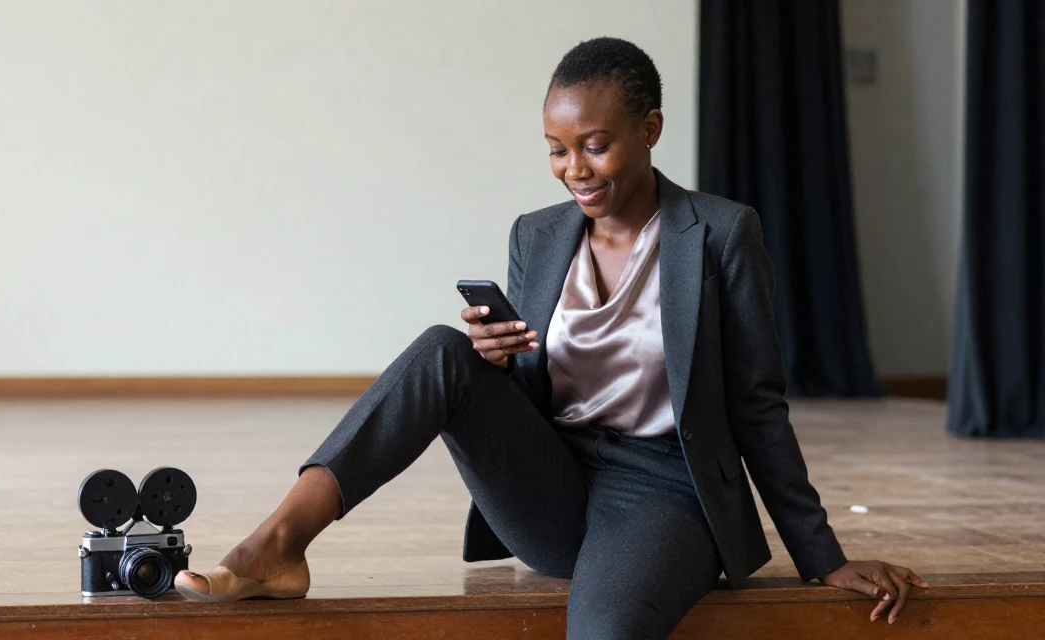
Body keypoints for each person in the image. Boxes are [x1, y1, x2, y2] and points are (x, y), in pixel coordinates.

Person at [174, 37, 928, 638]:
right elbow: (523, 390)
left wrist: (821, 557)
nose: (575, 169)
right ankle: (277, 545)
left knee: (604, 629)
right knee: (446, 348)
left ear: (650, 129)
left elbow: (758, 405)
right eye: (557, 149)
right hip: (555, 485)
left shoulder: (721, 234)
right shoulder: (536, 236)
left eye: (595, 145)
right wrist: (494, 361)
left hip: (666, 491)